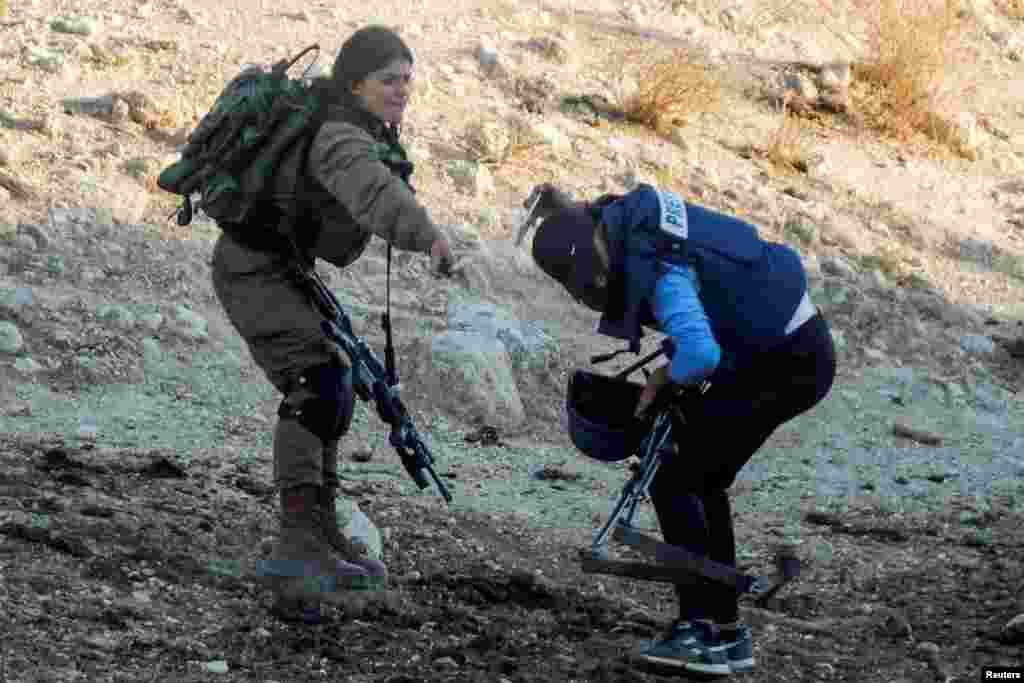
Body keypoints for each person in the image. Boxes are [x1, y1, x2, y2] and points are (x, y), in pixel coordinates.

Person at [527, 182, 836, 676]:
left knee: (677, 476)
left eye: (591, 284)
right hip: (792, 347)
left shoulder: (662, 269)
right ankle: (725, 633)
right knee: (701, 475)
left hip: (785, 364)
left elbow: (701, 354)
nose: (595, 291)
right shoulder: (628, 224)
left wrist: (664, 373)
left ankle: (700, 631)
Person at [210, 26, 454, 618]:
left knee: (336, 382)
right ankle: (297, 546)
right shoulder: (339, 136)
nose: (402, 91)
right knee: (314, 383)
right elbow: (374, 197)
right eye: (388, 80)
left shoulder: (349, 125)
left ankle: (318, 534)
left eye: (407, 79)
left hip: (281, 266)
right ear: (355, 84)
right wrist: (431, 238)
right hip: (252, 267)